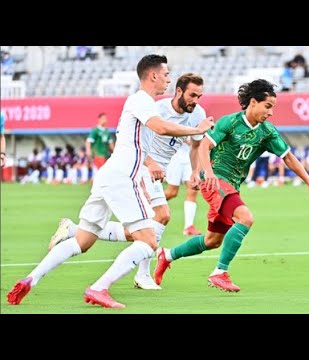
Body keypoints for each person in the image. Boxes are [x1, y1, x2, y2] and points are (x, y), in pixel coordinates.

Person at [6, 55, 214, 308]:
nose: (169, 79)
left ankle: (30, 279)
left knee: (82, 241)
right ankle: (99, 287)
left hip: (109, 174)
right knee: (148, 241)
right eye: (166, 74)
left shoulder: (141, 103)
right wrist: (196, 129)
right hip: (124, 177)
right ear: (153, 76)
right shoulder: (142, 100)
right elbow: (160, 127)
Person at [153, 79, 309, 292]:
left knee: (212, 240)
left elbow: (288, 157)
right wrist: (205, 172)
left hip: (231, 185)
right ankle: (219, 273)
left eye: (273, 108)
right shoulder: (230, 122)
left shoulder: (267, 132)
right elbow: (204, 146)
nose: (270, 113)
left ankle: (167, 255)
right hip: (215, 180)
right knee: (245, 217)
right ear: (253, 102)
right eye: (268, 106)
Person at [47, 73, 208, 291]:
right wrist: (150, 162)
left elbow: (196, 145)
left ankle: (75, 230)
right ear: (179, 91)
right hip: (141, 168)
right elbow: (132, 138)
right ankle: (141, 275)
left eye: (199, 96)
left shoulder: (197, 113)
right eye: (192, 95)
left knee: (149, 224)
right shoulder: (157, 109)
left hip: (158, 172)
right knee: (159, 217)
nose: (196, 100)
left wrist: (195, 171)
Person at [164, 139, 203, 236]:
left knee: (193, 189)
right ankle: (148, 206)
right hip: (175, 156)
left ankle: (188, 227)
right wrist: (189, 139)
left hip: (190, 156)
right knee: (172, 192)